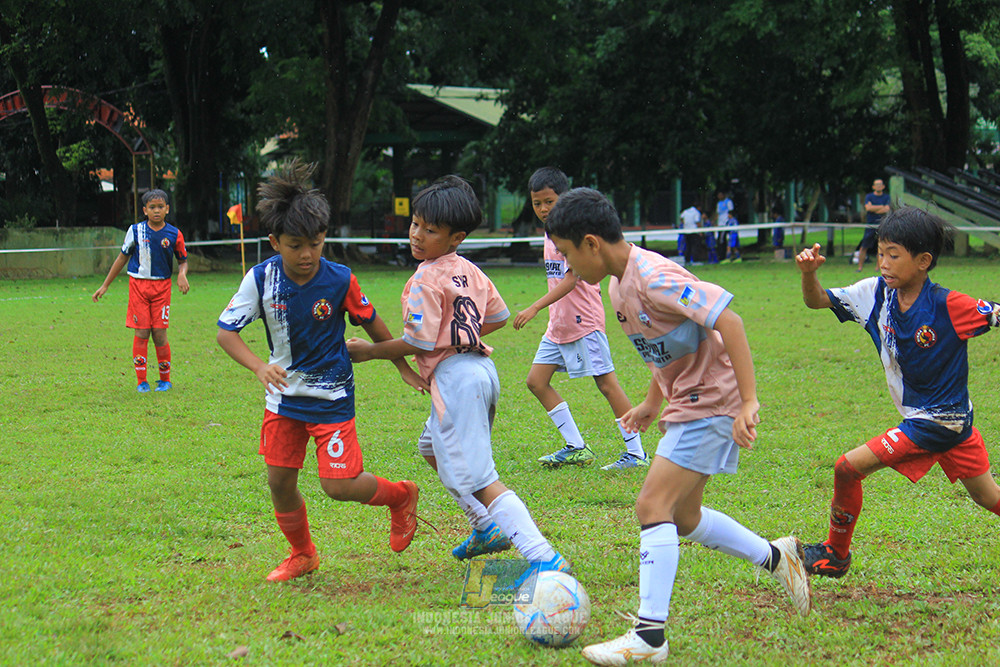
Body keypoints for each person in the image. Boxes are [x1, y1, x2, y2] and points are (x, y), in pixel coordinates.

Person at [544, 188, 810, 665]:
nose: (566, 265)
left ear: (591, 244)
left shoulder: (655, 277)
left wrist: (749, 401)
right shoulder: (617, 285)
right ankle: (777, 557)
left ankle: (649, 637)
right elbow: (664, 349)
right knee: (683, 517)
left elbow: (730, 322)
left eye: (566, 253)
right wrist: (652, 402)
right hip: (687, 401)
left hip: (712, 399)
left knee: (652, 505)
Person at [347, 175, 569, 572]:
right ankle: (484, 526)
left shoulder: (424, 278)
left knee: (482, 479)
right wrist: (460, 334)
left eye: (430, 230)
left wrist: (370, 352)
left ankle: (543, 556)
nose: (417, 235)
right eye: (415, 223)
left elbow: (417, 342)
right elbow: (498, 316)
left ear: (456, 237)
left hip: (456, 380)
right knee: (430, 447)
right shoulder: (470, 270)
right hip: (482, 369)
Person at [216, 160, 423, 582]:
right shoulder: (260, 279)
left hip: (331, 399)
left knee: (339, 486)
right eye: (295, 245)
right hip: (283, 401)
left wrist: (399, 364)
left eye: (315, 242)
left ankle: (401, 496)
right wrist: (259, 366)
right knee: (279, 482)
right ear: (275, 242)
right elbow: (226, 333)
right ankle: (302, 554)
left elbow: (372, 324)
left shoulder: (340, 279)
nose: (307, 254)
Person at [794, 206, 1000, 579]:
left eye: (893, 255)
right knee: (989, 497)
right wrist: (809, 275)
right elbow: (817, 300)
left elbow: (995, 313)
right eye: (880, 253)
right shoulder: (873, 293)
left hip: (938, 422)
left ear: (923, 261)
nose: (884, 263)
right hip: (952, 423)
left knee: (846, 468)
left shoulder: (948, 305)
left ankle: (836, 554)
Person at [512, 167, 647, 471]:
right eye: (537, 203)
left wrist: (534, 307)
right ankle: (576, 447)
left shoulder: (571, 233)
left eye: (549, 201)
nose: (543, 209)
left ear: (564, 198)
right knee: (536, 381)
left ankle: (636, 453)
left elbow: (571, 280)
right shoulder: (549, 233)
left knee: (607, 384)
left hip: (583, 321)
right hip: (558, 325)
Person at [92, 189, 189, 393]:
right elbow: (122, 257)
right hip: (138, 287)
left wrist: (182, 274)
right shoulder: (135, 231)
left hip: (162, 288)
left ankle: (165, 380)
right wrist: (105, 284)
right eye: (152, 207)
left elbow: (183, 261)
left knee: (159, 334)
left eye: (160, 207)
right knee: (142, 332)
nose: (156, 211)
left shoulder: (174, 234)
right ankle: (141, 381)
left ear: (167, 209)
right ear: (145, 210)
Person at [857, 178, 890, 272]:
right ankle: (860, 268)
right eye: (877, 185)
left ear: (883, 186)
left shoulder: (887, 197)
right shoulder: (869, 196)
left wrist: (873, 208)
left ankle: (878, 268)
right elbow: (868, 208)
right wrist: (881, 206)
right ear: (873, 187)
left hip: (882, 225)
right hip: (870, 224)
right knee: (864, 246)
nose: (878, 186)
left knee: (881, 247)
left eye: (880, 184)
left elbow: (886, 209)